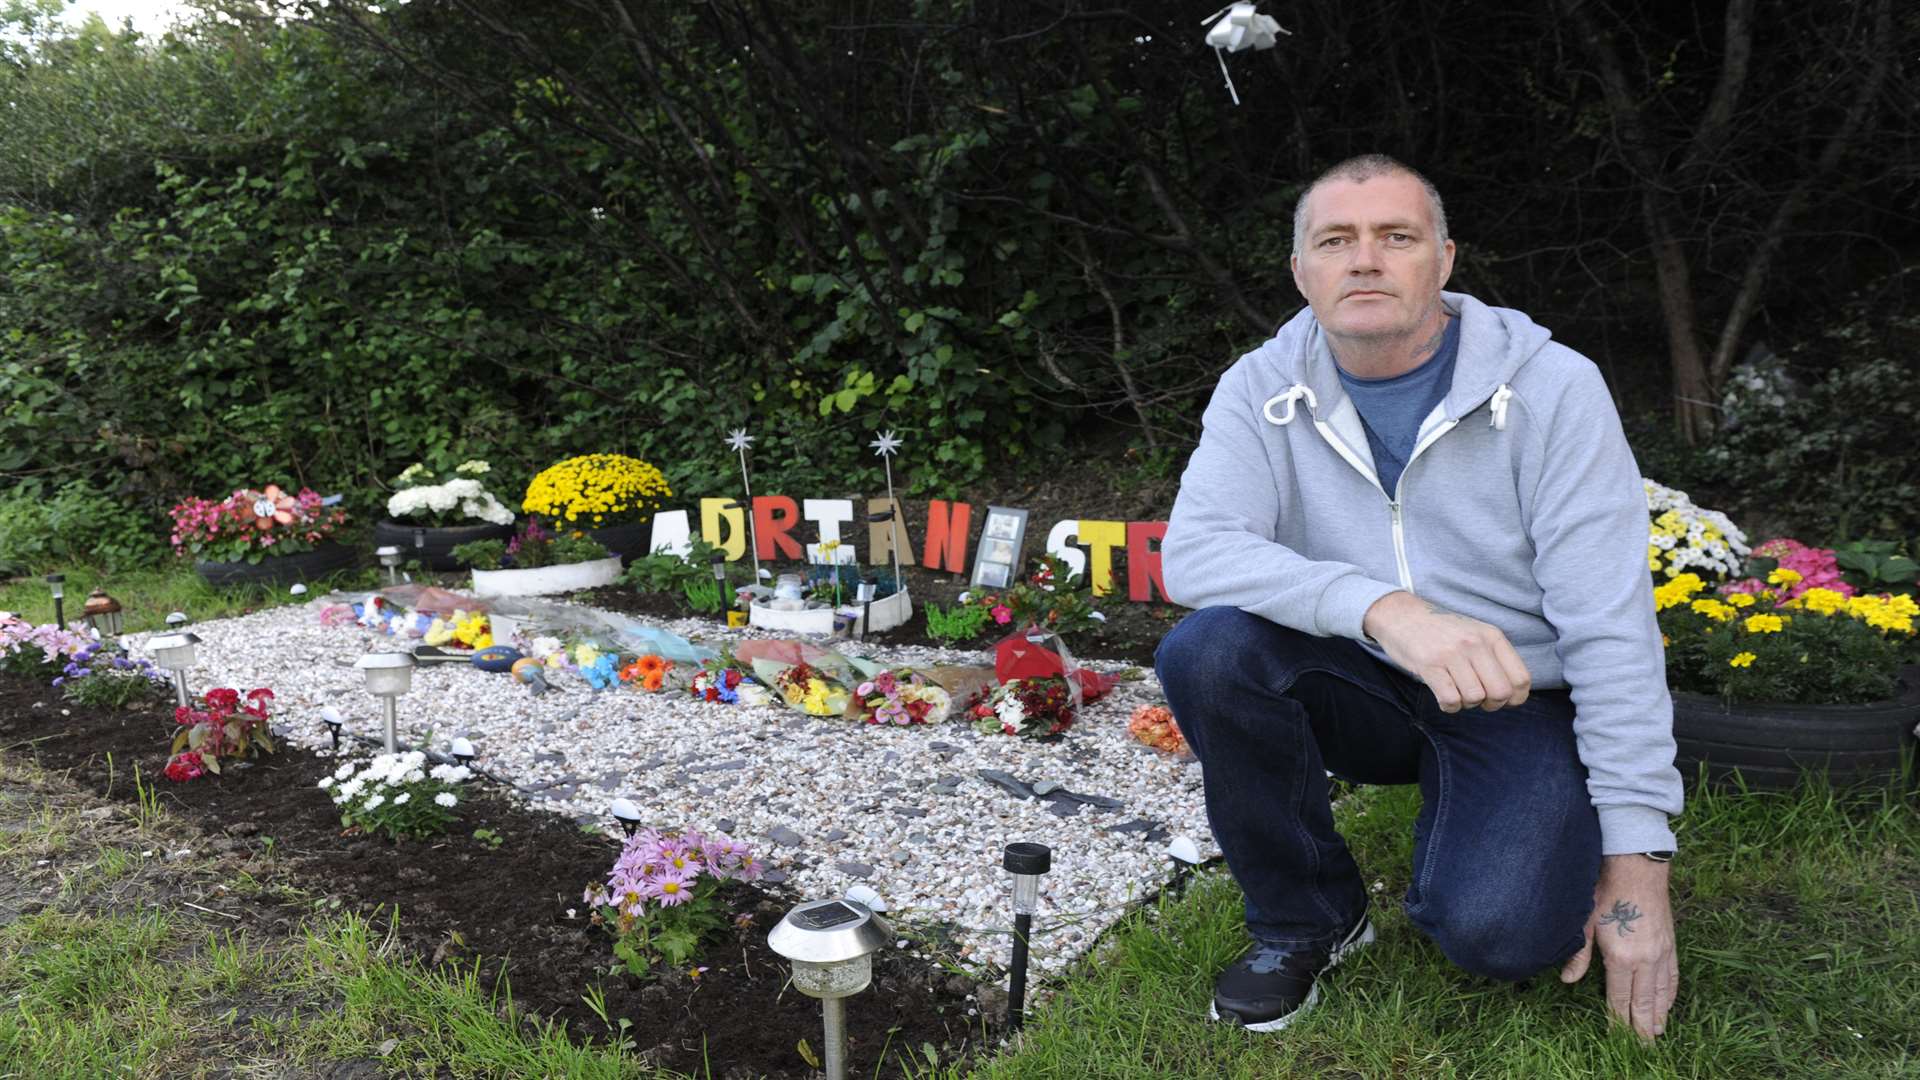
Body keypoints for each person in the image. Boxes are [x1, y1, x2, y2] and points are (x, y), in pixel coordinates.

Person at [1156, 154, 1681, 1039]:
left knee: (1506, 937)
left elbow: (1610, 628)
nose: (1365, 261)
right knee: (1208, 650)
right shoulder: (1260, 385)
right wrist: (1384, 609)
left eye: (1395, 238)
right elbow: (1195, 554)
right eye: (1336, 241)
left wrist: (1639, 869)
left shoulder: (1553, 388)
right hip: (1357, 679)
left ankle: (1508, 827)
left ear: (1442, 260)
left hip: (1519, 696)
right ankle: (1305, 919)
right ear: (1302, 273)